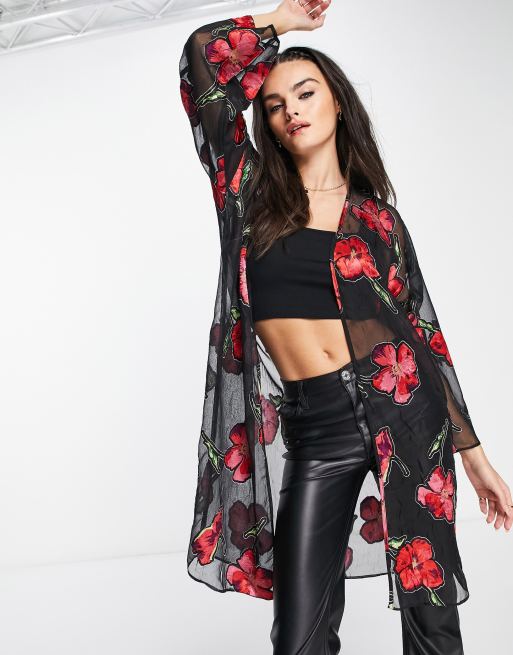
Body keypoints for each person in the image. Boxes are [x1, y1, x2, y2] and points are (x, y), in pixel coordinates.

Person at [178, 1, 512, 653]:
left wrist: (475, 459)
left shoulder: (378, 219)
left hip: (406, 411)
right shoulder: (247, 193)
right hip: (317, 426)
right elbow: (201, 61)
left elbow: (423, 335)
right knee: (299, 634)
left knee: (431, 616)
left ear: (336, 103)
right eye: (274, 103)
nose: (291, 110)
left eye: (305, 93)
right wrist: (282, 22)